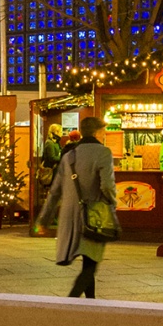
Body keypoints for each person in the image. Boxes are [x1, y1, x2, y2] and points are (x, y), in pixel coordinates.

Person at [36, 115, 116, 299]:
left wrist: (44, 220)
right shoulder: (104, 153)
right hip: (93, 215)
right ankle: (71, 301)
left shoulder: (69, 155)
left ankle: (90, 303)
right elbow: (107, 186)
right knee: (91, 263)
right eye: (103, 131)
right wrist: (112, 203)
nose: (104, 135)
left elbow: (55, 191)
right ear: (97, 132)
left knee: (89, 263)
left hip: (70, 218)